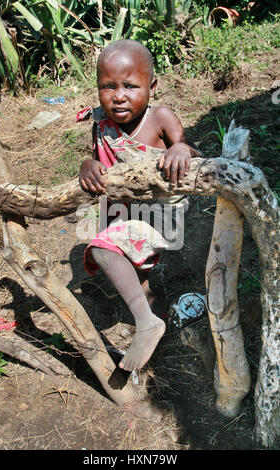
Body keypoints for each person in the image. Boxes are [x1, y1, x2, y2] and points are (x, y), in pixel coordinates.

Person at [77, 39, 201, 372]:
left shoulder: (160, 117)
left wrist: (180, 150)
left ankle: (147, 323)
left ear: (152, 86)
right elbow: (97, 159)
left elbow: (192, 151)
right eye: (108, 86)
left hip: (161, 214)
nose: (118, 95)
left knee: (103, 249)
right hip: (123, 209)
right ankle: (150, 308)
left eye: (130, 86)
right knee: (133, 264)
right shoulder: (101, 123)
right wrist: (87, 166)